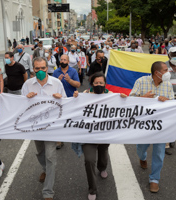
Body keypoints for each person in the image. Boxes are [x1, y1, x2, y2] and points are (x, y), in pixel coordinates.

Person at [72, 72, 127, 200]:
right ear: (91, 84)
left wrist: (123, 98)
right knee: (89, 160)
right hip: (88, 135)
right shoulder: (85, 94)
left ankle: (102, 167)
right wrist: (75, 97)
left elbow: (121, 107)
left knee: (103, 152)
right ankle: (92, 189)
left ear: (105, 84)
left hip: (104, 134)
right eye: (96, 83)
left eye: (101, 83)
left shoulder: (111, 95)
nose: (99, 85)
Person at [21, 57, 67, 200]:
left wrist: (61, 98)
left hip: (51, 127)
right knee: (40, 152)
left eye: (43, 68)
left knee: (50, 156)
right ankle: (45, 170)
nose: (40, 71)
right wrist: (26, 98)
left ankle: (48, 192)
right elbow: (19, 105)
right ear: (33, 69)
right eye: (37, 68)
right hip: (35, 126)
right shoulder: (28, 84)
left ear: (47, 68)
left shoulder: (57, 83)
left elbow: (66, 103)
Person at [129, 61, 174, 193]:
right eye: (165, 70)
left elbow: (173, 104)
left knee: (159, 153)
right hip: (144, 124)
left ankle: (154, 179)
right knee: (141, 148)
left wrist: (167, 101)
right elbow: (130, 101)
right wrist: (143, 97)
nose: (168, 73)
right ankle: (142, 157)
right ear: (157, 73)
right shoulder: (141, 81)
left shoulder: (168, 85)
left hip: (161, 125)